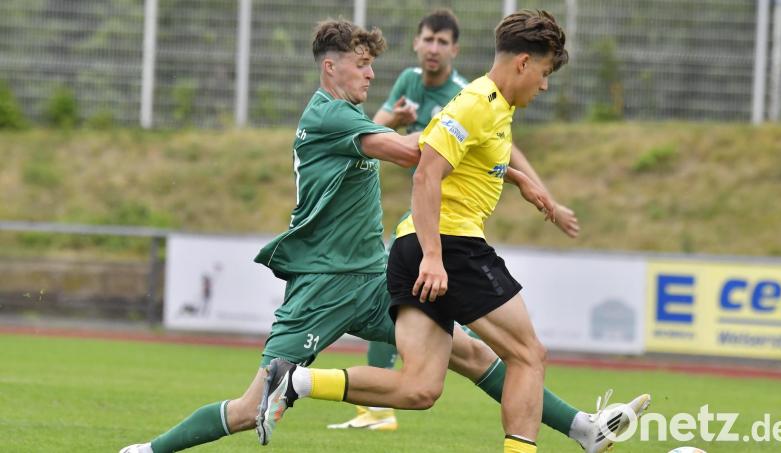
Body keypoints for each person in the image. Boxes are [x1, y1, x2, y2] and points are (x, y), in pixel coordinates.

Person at [121, 17, 647, 453]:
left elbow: (412, 149)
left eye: (373, 64)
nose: (372, 73)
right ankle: (147, 451)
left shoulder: (349, 117)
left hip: (371, 276)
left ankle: (582, 428)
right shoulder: (328, 115)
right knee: (248, 407)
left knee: (471, 357)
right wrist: (486, 148)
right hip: (323, 286)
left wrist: (502, 169)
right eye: (361, 64)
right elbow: (420, 156)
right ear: (331, 67)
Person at [328, 8, 580, 435]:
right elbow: (427, 171)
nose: (544, 84)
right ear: (523, 62)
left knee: (419, 388)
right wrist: (433, 257)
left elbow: (464, 158)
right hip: (449, 243)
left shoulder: (494, 104)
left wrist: (520, 180)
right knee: (528, 355)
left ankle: (294, 381)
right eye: (543, 71)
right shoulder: (476, 102)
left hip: (421, 244)